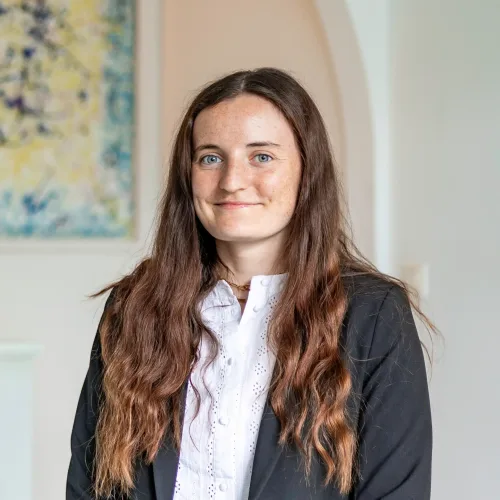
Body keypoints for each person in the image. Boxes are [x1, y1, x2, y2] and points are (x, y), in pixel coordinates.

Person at [67, 67, 433, 500]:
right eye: (210, 158)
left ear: (307, 170)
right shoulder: (134, 306)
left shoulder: (375, 314)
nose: (232, 181)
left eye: (261, 157)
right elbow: (89, 486)